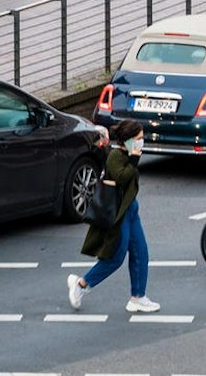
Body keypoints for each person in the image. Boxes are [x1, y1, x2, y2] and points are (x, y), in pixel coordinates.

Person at [66, 120, 160, 314]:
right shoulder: (117, 156)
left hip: (131, 210)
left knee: (140, 253)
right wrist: (134, 159)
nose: (142, 142)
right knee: (116, 257)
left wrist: (134, 157)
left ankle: (138, 297)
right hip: (119, 213)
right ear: (128, 140)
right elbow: (122, 178)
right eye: (139, 138)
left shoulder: (128, 153)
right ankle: (81, 284)